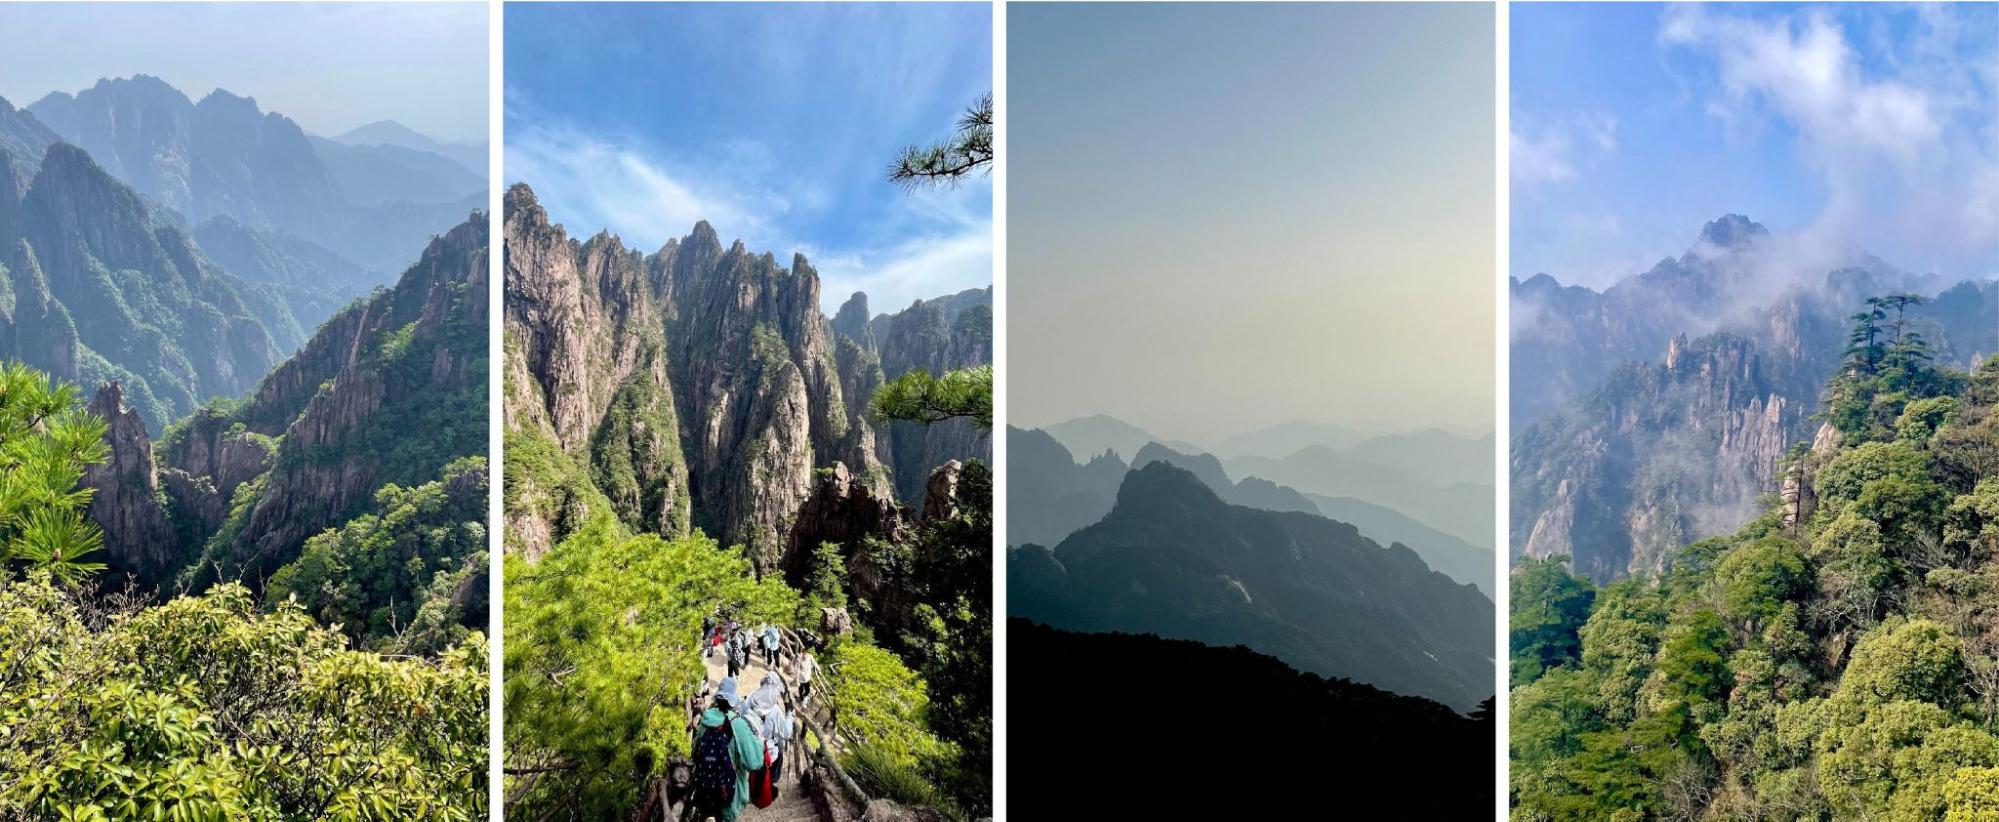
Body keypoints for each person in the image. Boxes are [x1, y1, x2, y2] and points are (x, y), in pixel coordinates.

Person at [687, 677, 764, 822]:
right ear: (733, 701)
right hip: (730, 796)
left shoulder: (705, 721)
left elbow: (695, 752)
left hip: (705, 791)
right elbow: (755, 762)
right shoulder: (739, 725)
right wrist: (758, 742)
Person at [741, 672, 793, 785]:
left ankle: (753, 784)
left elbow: (741, 718)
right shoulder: (775, 710)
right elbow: (787, 733)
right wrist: (789, 715)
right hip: (768, 752)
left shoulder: (749, 699)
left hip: (749, 748)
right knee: (779, 752)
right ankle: (771, 783)